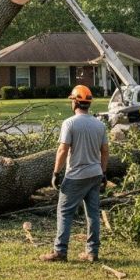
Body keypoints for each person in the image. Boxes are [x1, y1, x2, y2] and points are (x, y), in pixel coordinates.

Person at [41, 85, 108, 263]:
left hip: (76, 175)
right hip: (95, 174)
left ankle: (60, 251)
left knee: (64, 211)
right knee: (93, 214)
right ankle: (92, 252)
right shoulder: (99, 124)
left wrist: (56, 172)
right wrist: (103, 173)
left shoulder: (69, 123)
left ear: (76, 102)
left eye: (72, 100)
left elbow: (63, 149)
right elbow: (105, 151)